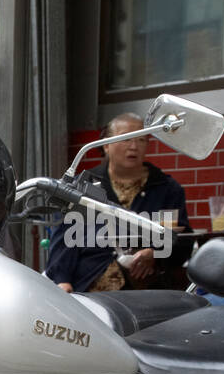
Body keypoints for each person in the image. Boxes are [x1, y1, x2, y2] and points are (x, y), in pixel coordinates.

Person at [43, 112, 189, 292]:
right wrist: (63, 280)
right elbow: (64, 239)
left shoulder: (165, 189)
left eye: (141, 140)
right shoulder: (82, 188)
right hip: (88, 285)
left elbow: (176, 240)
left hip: (146, 291)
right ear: (106, 145)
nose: (134, 146)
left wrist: (154, 254)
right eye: (126, 139)